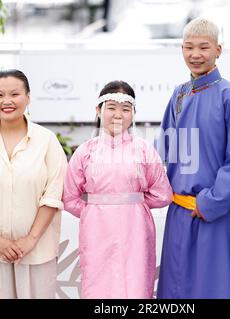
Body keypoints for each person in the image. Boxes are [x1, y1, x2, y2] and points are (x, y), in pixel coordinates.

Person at [155, 18, 230, 298]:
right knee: (175, 290)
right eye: (188, 47)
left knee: (213, 289)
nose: (195, 55)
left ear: (218, 50)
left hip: (214, 215)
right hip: (178, 214)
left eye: (203, 47)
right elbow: (166, 148)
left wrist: (210, 202)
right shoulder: (179, 95)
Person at [0, 69, 67, 299]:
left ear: (28, 97)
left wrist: (30, 240)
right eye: (0, 95)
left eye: (15, 94)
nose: (7, 101)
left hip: (38, 251)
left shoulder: (47, 141)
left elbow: (53, 193)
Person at [62, 81, 173, 299]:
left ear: (134, 113)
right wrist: (92, 210)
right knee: (97, 283)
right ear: (98, 110)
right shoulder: (85, 151)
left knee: (136, 282)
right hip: (96, 229)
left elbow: (163, 194)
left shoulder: (144, 150)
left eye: (125, 109)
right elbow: (69, 196)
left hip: (136, 229)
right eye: (111, 108)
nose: (118, 115)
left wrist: (133, 204)